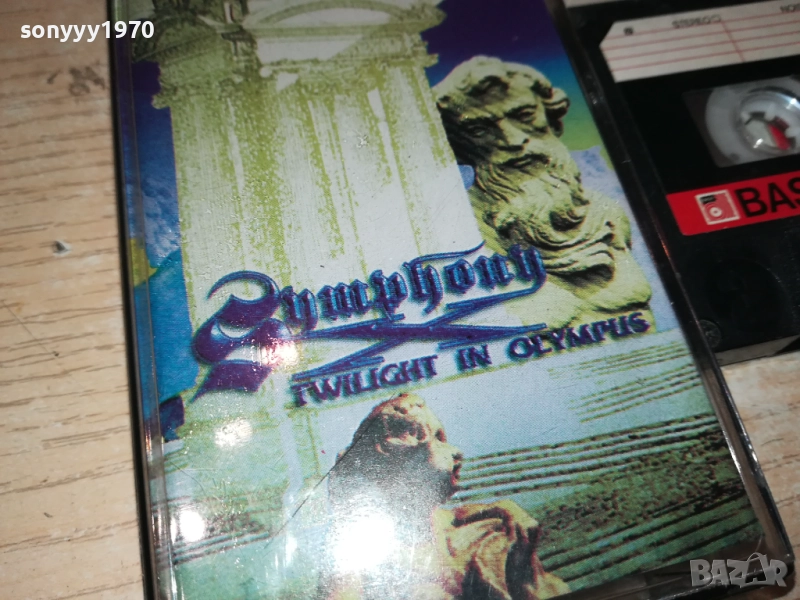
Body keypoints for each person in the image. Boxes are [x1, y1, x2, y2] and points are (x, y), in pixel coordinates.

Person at [434, 56, 653, 329]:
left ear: (550, 114)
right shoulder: (461, 232)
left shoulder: (607, 212)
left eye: (524, 115)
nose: (513, 140)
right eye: (478, 129)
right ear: (460, 145)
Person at [322, 393, 569, 600]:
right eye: (438, 441)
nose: (456, 452)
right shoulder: (359, 553)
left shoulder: (478, 531)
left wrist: (522, 567)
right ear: (400, 456)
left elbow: (548, 591)